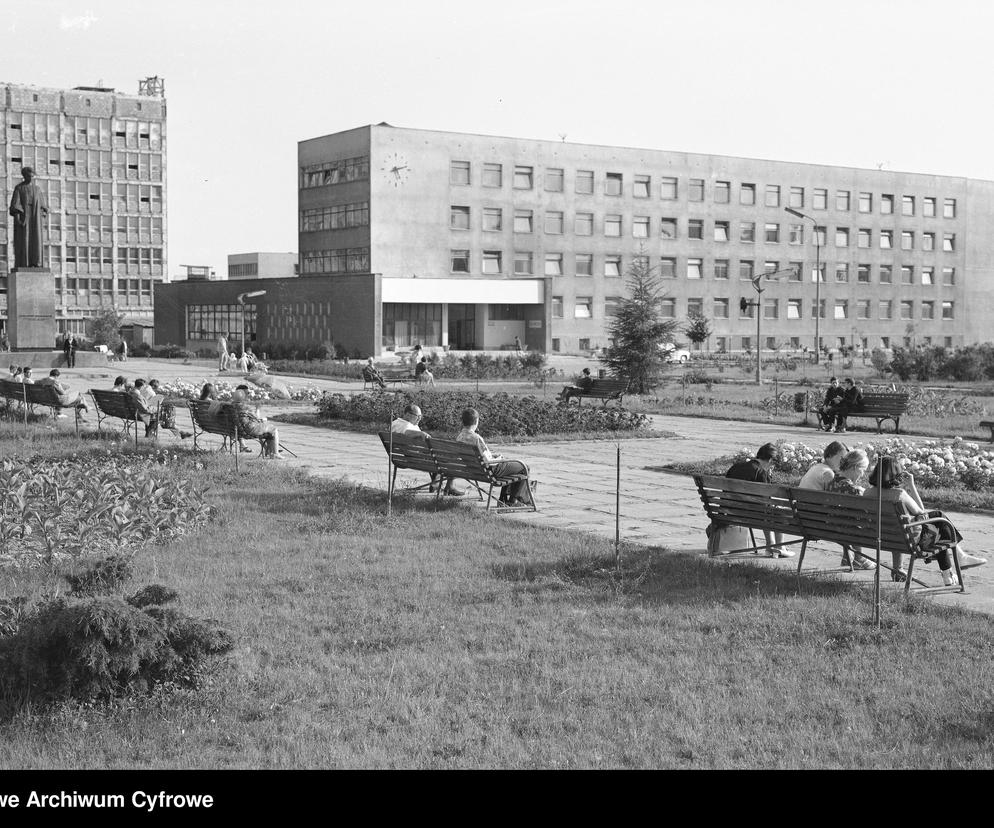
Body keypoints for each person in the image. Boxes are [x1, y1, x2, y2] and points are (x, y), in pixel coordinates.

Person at [863, 457, 963, 586]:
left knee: (936, 526)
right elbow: (922, 511)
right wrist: (911, 485)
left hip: (881, 537)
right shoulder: (899, 494)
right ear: (897, 475)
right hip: (909, 541)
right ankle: (951, 567)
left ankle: (949, 570)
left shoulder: (867, 493)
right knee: (938, 521)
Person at [723, 442, 791, 556]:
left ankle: (772, 546)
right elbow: (766, 501)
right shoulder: (761, 473)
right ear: (770, 461)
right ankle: (778, 546)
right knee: (779, 512)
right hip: (754, 515)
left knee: (766, 510)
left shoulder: (736, 467)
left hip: (729, 510)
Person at [457, 407, 534, 506]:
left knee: (510, 465)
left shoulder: (459, 437)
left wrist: (494, 456)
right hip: (491, 470)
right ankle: (513, 501)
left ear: (463, 421)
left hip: (475, 470)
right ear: (476, 421)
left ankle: (503, 499)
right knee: (524, 467)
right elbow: (488, 461)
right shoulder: (476, 438)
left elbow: (482, 456)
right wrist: (498, 459)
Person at [390, 403, 460, 494]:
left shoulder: (396, 423)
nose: (419, 418)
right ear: (407, 414)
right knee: (454, 457)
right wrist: (421, 433)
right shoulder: (404, 425)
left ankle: (437, 484)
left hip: (405, 458)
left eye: (420, 416)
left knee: (438, 455)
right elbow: (406, 432)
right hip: (417, 459)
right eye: (417, 416)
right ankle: (447, 486)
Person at [825, 449, 876, 570]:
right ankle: (859, 558)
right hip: (849, 529)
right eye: (862, 470)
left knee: (847, 518)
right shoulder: (854, 490)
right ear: (854, 468)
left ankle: (847, 556)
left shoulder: (831, 482)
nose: (863, 474)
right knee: (856, 520)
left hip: (831, 527)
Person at [8, 166, 48, 268]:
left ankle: (36, 263)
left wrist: (43, 212)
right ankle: (24, 263)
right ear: (24, 176)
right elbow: (15, 205)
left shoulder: (37, 189)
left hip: (35, 217)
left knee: (36, 239)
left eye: (32, 176)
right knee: (24, 240)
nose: (30, 178)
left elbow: (43, 206)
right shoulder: (19, 188)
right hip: (24, 217)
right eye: (28, 176)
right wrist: (18, 220)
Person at [230, 384, 282, 458]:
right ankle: (275, 453)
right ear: (242, 395)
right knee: (273, 429)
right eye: (246, 393)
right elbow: (257, 418)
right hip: (248, 431)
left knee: (261, 426)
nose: (248, 395)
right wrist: (257, 408)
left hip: (237, 430)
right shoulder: (245, 407)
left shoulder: (229, 406)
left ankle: (269, 449)